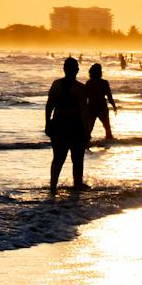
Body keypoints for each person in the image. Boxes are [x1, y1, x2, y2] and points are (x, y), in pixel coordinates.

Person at [44, 57, 90, 194]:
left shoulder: (56, 84)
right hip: (75, 126)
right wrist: (87, 132)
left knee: (58, 158)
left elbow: (49, 106)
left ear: (64, 69)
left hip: (57, 123)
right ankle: (77, 188)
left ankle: (53, 188)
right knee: (77, 159)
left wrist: (47, 124)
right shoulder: (81, 88)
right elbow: (84, 111)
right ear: (77, 70)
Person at [84, 62, 118, 144]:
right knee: (107, 128)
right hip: (102, 106)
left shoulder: (89, 83)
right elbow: (109, 96)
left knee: (89, 128)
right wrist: (114, 106)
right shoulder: (104, 83)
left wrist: (83, 108)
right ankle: (109, 144)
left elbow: (85, 97)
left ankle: (86, 144)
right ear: (100, 72)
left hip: (91, 107)